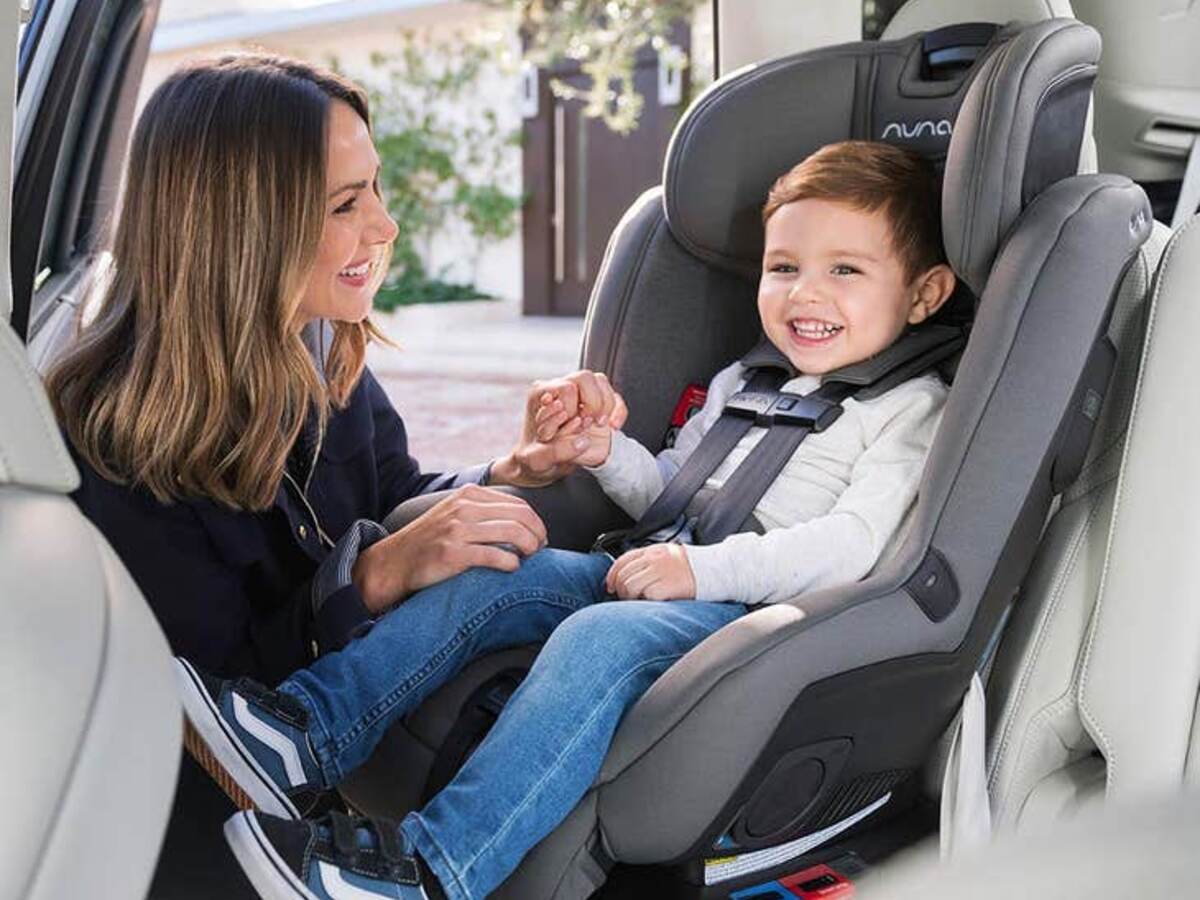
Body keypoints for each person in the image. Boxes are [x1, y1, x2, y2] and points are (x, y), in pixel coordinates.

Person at [181, 140, 959, 900]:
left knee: (599, 637)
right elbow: (670, 491)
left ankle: (429, 869)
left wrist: (699, 572)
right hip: (654, 567)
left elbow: (852, 547)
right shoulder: (744, 381)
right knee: (499, 571)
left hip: (746, 615)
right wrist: (601, 450)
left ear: (924, 294)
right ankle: (301, 732)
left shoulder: (908, 408)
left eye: (845, 271)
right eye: (783, 268)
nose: (805, 294)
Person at [44, 53, 623, 889]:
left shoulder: (319, 351)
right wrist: (372, 579)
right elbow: (214, 730)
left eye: (376, 191)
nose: (385, 228)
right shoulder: (111, 446)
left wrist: (514, 467)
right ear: (243, 226)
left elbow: (395, 500)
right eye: (347, 205)